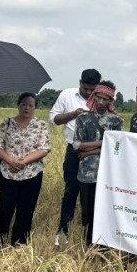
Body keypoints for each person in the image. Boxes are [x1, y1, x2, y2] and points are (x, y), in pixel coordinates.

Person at [49, 68, 101, 247]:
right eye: (85, 88)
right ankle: (63, 231)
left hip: (95, 153)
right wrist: (73, 114)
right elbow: (53, 119)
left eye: (91, 90)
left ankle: (89, 236)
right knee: (70, 191)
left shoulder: (102, 101)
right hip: (73, 150)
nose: (88, 92)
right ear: (80, 82)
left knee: (91, 195)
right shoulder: (67, 95)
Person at [0, 92, 51, 246]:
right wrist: (10, 160)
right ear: (18, 105)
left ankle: (19, 245)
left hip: (32, 174)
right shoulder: (7, 123)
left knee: (26, 211)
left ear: (35, 108)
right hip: (8, 173)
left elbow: (44, 149)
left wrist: (24, 161)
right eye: (23, 104)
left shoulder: (41, 125)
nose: (26, 108)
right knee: (5, 209)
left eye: (30, 105)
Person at [73, 81, 124, 245]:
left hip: (106, 175)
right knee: (86, 211)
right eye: (99, 97)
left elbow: (116, 148)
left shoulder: (116, 121)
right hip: (85, 174)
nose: (101, 102)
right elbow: (76, 145)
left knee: (104, 212)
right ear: (94, 96)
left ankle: (102, 243)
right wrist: (104, 143)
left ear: (111, 100)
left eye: (106, 99)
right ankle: (88, 243)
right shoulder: (83, 118)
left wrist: (89, 151)